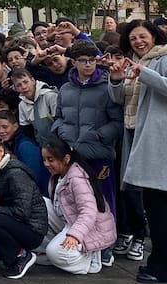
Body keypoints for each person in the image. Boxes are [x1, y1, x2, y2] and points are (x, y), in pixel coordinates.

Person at [108, 19, 167, 284]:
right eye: (133, 39)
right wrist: (116, 80)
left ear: (154, 36)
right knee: (157, 203)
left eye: (142, 37)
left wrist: (145, 73)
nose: (138, 42)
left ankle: (161, 267)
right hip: (137, 135)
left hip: (159, 138)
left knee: (157, 203)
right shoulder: (135, 61)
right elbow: (122, 99)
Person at [49, 42, 121, 212]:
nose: (88, 64)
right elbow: (58, 117)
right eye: (83, 60)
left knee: (104, 199)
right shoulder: (65, 89)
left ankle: (108, 237)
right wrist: (60, 131)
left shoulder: (107, 88)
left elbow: (118, 123)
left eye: (91, 60)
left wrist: (98, 135)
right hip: (72, 154)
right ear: (73, 62)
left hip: (99, 154)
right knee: (77, 202)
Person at [0, 136, 48, 279]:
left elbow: (21, 212)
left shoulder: (15, 173)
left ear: (0, 150)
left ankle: (21, 256)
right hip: (16, 224)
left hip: (32, 231)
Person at [38, 136, 117, 274]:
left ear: (66, 159)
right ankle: (61, 250)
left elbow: (88, 212)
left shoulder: (77, 179)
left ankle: (91, 259)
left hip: (90, 228)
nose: (46, 164)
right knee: (38, 204)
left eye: (51, 160)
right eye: (44, 160)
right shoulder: (57, 176)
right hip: (69, 221)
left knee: (54, 252)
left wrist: (75, 235)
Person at [0, 111, 48, 194]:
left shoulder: (26, 146)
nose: (1, 131)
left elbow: (35, 177)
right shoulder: (6, 146)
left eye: (5, 127)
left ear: (15, 126)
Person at [12, 67, 59, 144]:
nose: (23, 87)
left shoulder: (50, 96)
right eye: (19, 85)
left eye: (25, 82)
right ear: (16, 89)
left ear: (33, 81)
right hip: (41, 145)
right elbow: (27, 129)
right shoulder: (22, 105)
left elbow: (59, 122)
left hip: (59, 142)